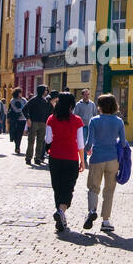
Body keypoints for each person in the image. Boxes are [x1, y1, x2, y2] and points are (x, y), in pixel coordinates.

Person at [83, 93, 125, 232]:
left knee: (93, 187)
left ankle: (92, 211)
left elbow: (89, 142)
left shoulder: (94, 121)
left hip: (97, 158)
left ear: (99, 106)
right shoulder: (119, 121)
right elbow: (123, 143)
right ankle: (106, 221)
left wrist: (86, 152)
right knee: (109, 190)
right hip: (113, 159)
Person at [43, 91, 85, 232]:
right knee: (68, 188)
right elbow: (80, 144)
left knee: (58, 187)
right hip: (71, 158)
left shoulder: (51, 119)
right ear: (72, 105)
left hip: (55, 157)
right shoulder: (77, 120)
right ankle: (61, 212)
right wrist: (82, 161)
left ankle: (60, 214)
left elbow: (48, 140)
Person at [24, 85, 52, 166]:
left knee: (40, 142)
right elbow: (24, 109)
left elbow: (51, 112)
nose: (46, 91)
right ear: (41, 91)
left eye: (47, 90)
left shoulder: (46, 101)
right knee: (31, 141)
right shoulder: (33, 100)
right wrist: (28, 119)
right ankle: (28, 158)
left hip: (43, 123)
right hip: (34, 122)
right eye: (45, 90)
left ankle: (37, 158)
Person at [7, 87, 27, 154]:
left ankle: (17, 147)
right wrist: (22, 111)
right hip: (15, 119)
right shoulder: (13, 100)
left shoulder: (24, 100)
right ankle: (17, 145)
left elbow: (27, 107)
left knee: (20, 133)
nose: (21, 94)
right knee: (15, 133)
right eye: (20, 92)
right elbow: (15, 109)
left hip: (23, 119)